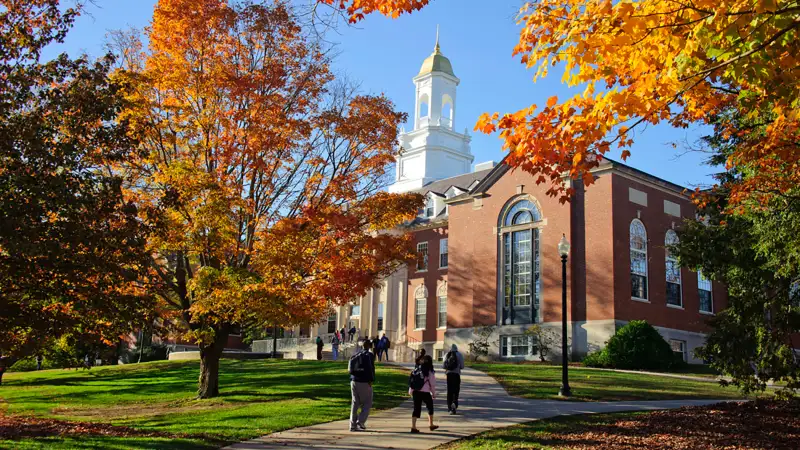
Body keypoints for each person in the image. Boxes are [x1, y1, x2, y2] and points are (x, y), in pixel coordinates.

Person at [348, 339, 376, 432]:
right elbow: (371, 368)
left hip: (353, 380)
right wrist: (371, 380)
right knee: (367, 402)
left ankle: (352, 424)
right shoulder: (369, 355)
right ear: (369, 346)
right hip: (364, 381)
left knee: (355, 402)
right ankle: (361, 421)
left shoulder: (356, 354)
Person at [409, 354, 438, 433]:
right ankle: (431, 424)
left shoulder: (416, 370)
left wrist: (410, 391)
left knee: (416, 409)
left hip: (416, 392)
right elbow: (432, 384)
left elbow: (413, 382)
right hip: (425, 392)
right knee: (430, 407)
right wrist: (434, 394)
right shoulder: (430, 372)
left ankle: (413, 427)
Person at [443, 344, 465, 415]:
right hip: (456, 375)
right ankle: (454, 404)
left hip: (449, 375)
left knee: (449, 391)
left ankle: (449, 408)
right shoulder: (459, 355)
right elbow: (462, 366)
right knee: (456, 390)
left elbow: (443, 366)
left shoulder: (446, 355)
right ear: (456, 348)